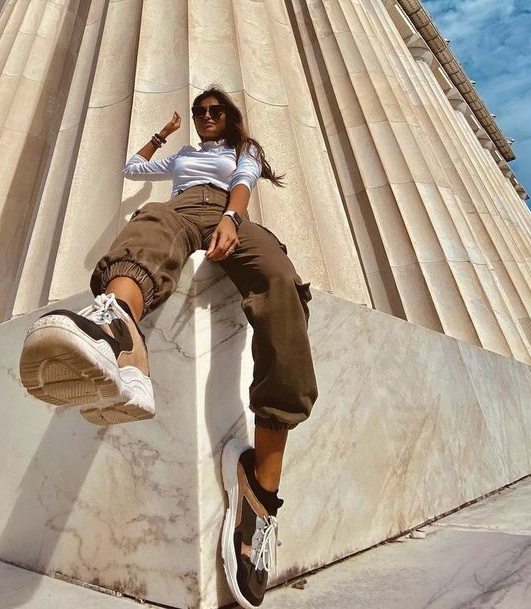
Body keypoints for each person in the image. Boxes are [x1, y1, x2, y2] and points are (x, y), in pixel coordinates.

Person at [19, 86, 318, 609]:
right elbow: (133, 170)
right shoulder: (183, 156)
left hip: (229, 217)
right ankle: (117, 336)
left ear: (228, 117)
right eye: (201, 112)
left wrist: (232, 219)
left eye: (214, 111)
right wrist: (162, 135)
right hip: (181, 213)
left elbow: (243, 187)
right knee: (150, 221)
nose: (206, 117)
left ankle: (261, 492)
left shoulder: (241, 152)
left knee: (281, 284)